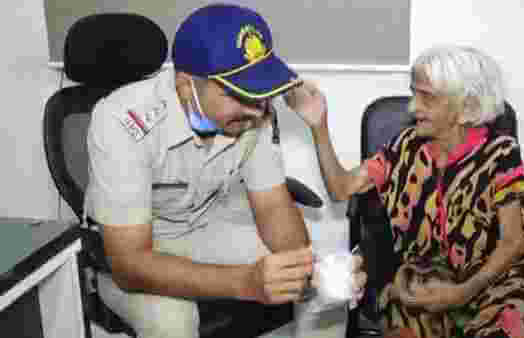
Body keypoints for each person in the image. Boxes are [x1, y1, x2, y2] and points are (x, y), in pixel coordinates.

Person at [84, 4, 366, 338]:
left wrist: (308, 271)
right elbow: (129, 263)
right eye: (239, 94)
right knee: (172, 322)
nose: (256, 110)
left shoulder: (256, 113)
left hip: (204, 226)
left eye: (260, 93)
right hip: (134, 248)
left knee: (320, 284)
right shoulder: (120, 121)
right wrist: (246, 283)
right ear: (187, 86)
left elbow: (273, 206)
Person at [287, 45, 524, 338]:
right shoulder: (406, 146)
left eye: (427, 97)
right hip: (423, 282)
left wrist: (462, 292)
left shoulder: (501, 155)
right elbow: (341, 188)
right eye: (414, 93)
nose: (413, 107)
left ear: (467, 108)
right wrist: (318, 126)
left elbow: (513, 243)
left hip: (491, 281)